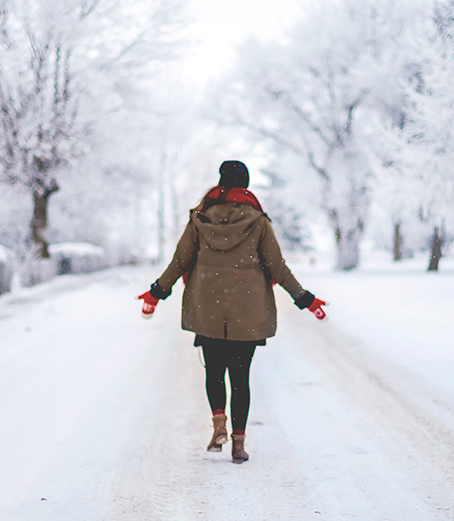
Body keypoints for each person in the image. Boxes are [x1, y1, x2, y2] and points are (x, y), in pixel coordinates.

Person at [137, 160, 327, 464]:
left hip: (207, 307)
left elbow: (179, 261)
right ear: (246, 185)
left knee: (213, 371)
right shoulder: (259, 222)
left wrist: (157, 292)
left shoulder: (200, 219)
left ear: (221, 183)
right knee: (241, 378)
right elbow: (277, 267)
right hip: (247, 311)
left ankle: (219, 425)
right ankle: (238, 445)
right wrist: (306, 299)